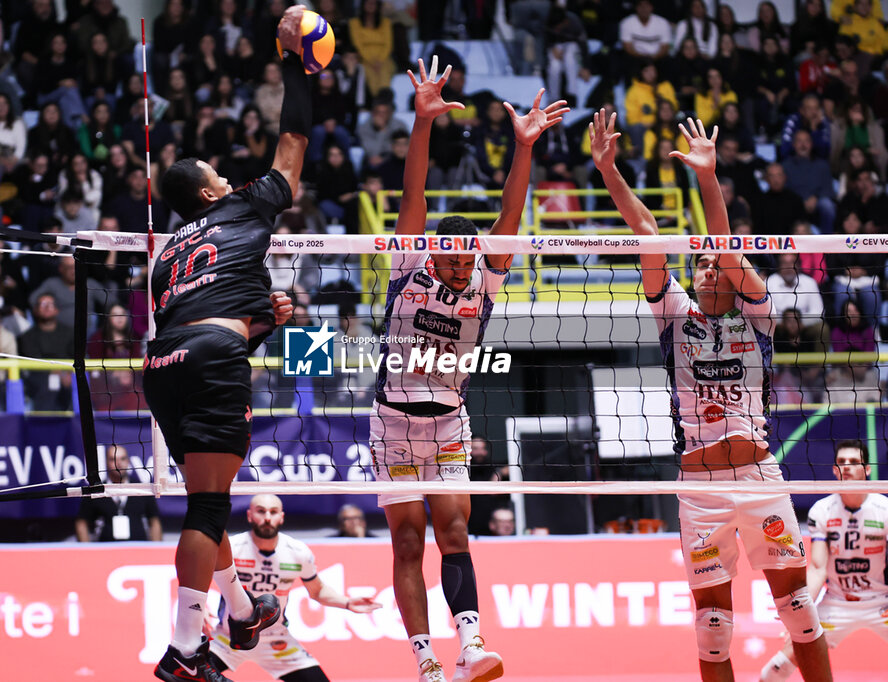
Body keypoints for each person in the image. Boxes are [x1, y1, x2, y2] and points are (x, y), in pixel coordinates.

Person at [589, 110, 833, 682]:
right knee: (713, 625)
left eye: (708, 262)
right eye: (695, 262)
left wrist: (707, 177)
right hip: (700, 491)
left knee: (797, 609)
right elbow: (649, 235)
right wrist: (608, 171)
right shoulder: (674, 313)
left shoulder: (758, 313)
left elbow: (725, 247)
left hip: (758, 479)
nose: (701, 268)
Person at [370, 56, 567, 682]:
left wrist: (523, 146)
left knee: (454, 529)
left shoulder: (486, 273)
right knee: (407, 542)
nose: (460, 267)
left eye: (467, 260)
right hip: (395, 422)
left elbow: (512, 209)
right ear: (433, 251)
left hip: (450, 420)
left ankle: (472, 647)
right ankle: (425, 661)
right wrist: (423, 122)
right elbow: (414, 193)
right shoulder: (409, 267)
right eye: (451, 259)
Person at [144, 8, 313, 682]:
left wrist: (264, 320)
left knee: (204, 505)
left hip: (165, 360)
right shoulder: (240, 206)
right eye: (219, 172)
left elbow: (202, 307)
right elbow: (293, 142)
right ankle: (187, 646)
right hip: (211, 360)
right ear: (213, 190)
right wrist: (301, 64)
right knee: (209, 509)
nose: (225, 176)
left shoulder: (166, 255)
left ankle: (240, 609)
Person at [207, 494, 380, 681]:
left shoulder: (298, 552)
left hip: (276, 640)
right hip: (227, 638)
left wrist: (346, 602)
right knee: (189, 675)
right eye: (261, 511)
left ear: (281, 516)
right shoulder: (232, 547)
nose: (267, 517)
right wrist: (198, 610)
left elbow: (318, 591)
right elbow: (199, 577)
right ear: (249, 516)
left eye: (273, 512)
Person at [760, 440, 888, 681]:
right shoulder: (822, 510)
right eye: (841, 462)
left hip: (881, 603)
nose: (847, 467)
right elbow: (818, 568)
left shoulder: (884, 508)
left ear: (868, 469)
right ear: (834, 470)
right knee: (773, 671)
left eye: (854, 462)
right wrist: (801, 612)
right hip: (837, 604)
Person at [75, 445, 162, 542]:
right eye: (113, 459)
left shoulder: (142, 489)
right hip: (105, 550)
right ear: (106, 463)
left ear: (128, 461)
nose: (118, 464)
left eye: (123, 459)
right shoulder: (95, 490)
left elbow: (154, 521)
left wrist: (156, 548)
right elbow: (82, 522)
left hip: (138, 549)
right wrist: (87, 552)